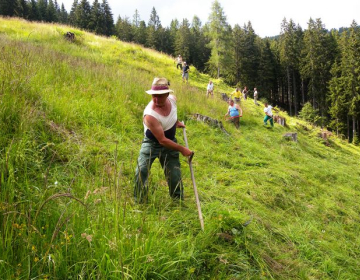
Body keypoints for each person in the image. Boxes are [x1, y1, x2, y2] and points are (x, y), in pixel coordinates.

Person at [134, 77, 193, 203]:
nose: (156, 99)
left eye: (160, 96)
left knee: (174, 173)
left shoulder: (173, 100)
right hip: (152, 143)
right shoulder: (150, 114)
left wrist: (175, 122)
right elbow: (162, 140)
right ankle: (140, 200)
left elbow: (173, 113)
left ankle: (178, 201)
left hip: (170, 140)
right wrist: (182, 149)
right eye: (154, 96)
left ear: (167, 94)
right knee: (141, 170)